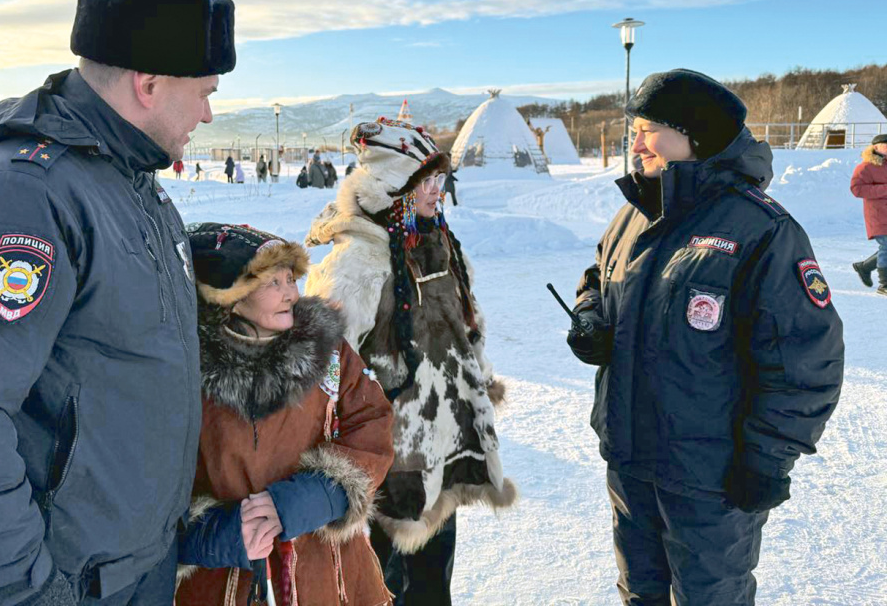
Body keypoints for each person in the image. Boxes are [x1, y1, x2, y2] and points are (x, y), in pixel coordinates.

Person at [0, 0, 236, 606]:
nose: (210, 114)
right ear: (149, 83)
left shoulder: (132, 187)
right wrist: (26, 595)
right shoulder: (23, 196)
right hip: (68, 587)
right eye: (205, 91)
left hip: (141, 569)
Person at [569, 69, 845, 606]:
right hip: (629, 459)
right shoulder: (634, 213)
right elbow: (597, 280)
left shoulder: (761, 230)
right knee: (640, 592)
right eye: (636, 130)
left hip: (711, 478)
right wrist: (590, 321)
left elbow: (806, 360)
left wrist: (767, 460)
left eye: (650, 129)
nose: (637, 142)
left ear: (694, 138)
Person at [305, 118, 515, 605]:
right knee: (383, 591)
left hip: (437, 453)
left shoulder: (432, 242)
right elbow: (324, 366)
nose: (438, 192)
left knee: (431, 587)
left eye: (442, 180)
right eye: (428, 181)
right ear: (393, 187)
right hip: (384, 468)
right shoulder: (357, 260)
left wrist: (476, 380)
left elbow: (462, 327)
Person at [175, 223, 394, 606]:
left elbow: (373, 424)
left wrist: (314, 498)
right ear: (231, 296)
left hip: (327, 572)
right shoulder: (186, 371)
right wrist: (217, 535)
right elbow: (159, 486)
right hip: (227, 580)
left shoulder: (326, 349)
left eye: (290, 278)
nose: (291, 293)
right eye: (272, 283)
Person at [850, 133, 887, 295]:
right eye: (886, 145)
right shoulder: (866, 167)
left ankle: (864, 267)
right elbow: (856, 189)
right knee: (886, 246)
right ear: (875, 147)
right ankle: (884, 285)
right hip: (878, 214)